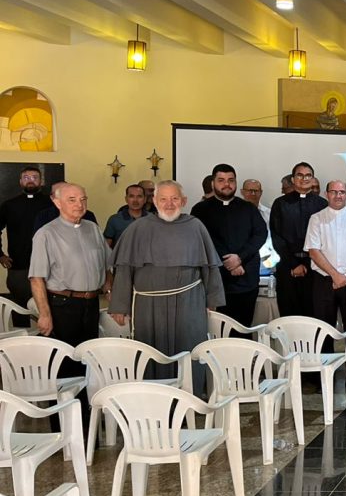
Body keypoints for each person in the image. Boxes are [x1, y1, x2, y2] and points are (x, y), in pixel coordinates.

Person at [109, 181, 224, 394]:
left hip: (189, 302)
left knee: (189, 347)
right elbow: (124, 269)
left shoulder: (195, 226)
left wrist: (213, 299)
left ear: (183, 201)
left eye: (174, 199)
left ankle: (191, 397)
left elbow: (209, 267)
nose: (169, 204)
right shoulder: (139, 228)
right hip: (148, 305)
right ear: (154, 201)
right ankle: (154, 396)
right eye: (163, 199)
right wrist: (120, 305)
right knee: (151, 349)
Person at [29, 183, 109, 426]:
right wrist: (45, 314)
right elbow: (37, 278)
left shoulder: (92, 228)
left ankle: (85, 425)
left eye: (83, 199)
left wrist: (111, 292)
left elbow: (107, 265)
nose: (79, 204)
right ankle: (62, 427)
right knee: (64, 367)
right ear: (57, 202)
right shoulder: (46, 234)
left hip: (90, 305)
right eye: (72, 199)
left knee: (87, 364)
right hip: (62, 306)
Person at [191, 164, 267, 327]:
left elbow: (260, 234)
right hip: (216, 281)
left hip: (246, 279)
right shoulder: (200, 210)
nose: (227, 184)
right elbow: (204, 239)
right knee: (217, 330)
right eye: (221, 180)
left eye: (231, 180)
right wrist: (228, 262)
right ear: (213, 183)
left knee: (244, 329)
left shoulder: (248, 208)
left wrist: (240, 258)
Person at [304, 180, 346, 354]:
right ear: (326, 194)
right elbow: (313, 251)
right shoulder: (316, 218)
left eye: (341, 192)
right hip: (324, 281)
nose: (338, 195)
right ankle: (326, 371)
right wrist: (335, 275)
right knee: (323, 331)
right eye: (334, 192)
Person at [269, 162, 328, 317]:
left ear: (313, 179)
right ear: (293, 179)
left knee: (314, 315)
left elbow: (326, 238)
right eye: (300, 175)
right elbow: (276, 237)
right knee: (289, 315)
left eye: (308, 175)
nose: (304, 179)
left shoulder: (322, 204)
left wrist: (311, 262)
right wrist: (293, 264)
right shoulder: (280, 203)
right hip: (287, 268)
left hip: (315, 268)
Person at [0, 165, 52, 312]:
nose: (30, 180)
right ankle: (22, 328)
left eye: (35, 177)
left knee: (50, 306)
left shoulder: (52, 204)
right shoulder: (9, 205)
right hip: (19, 264)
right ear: (20, 181)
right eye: (26, 178)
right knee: (19, 307)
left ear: (41, 181)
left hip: (49, 264)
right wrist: (0, 255)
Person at [104, 184, 147, 249]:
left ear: (145, 199)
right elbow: (106, 247)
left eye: (139, 196)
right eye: (131, 196)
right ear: (126, 199)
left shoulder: (152, 219)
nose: (135, 200)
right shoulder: (114, 220)